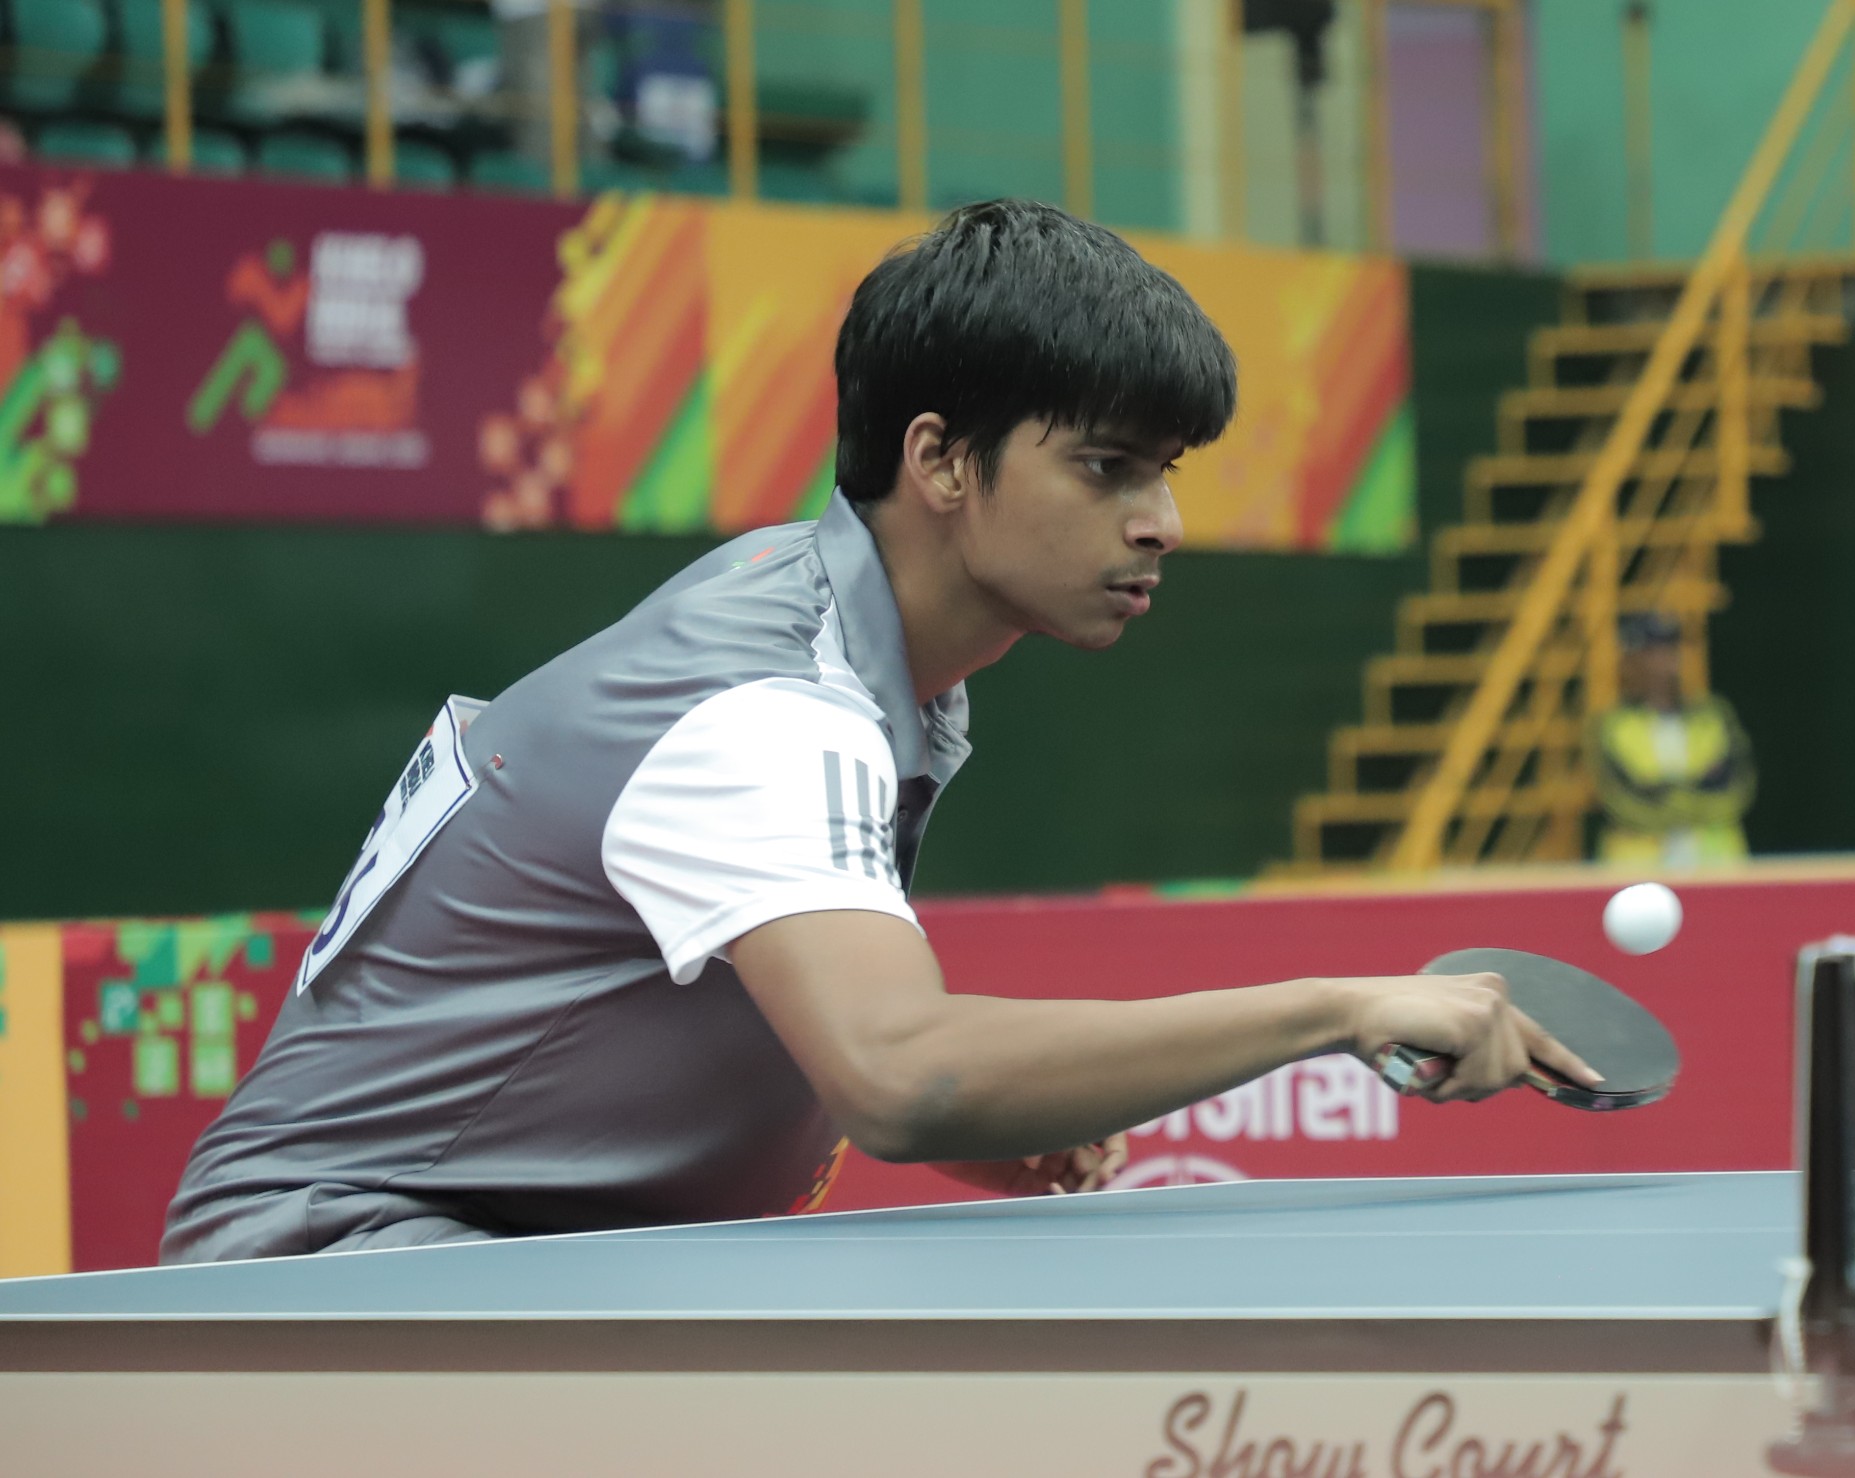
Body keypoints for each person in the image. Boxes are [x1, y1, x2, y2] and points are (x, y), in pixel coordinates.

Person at [162, 201, 1593, 1263]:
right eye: (1106, 468)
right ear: (941, 461)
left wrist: (991, 1119)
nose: (1160, 520)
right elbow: (902, 1075)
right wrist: (1338, 1009)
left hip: (484, 1256)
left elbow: (756, 1002)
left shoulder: (839, 644)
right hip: (339, 1270)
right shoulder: (768, 704)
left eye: (1164, 471)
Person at [1591, 613, 1755, 868]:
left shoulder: (1715, 715)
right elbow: (1619, 798)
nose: (1661, 662)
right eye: (1650, 653)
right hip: (1640, 869)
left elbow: (1738, 785)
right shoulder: (1611, 725)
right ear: (1630, 661)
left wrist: (1662, 790)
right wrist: (1695, 788)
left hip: (1714, 865)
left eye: (1668, 650)